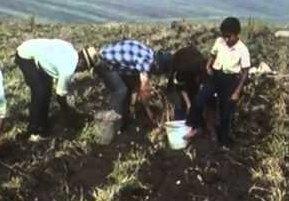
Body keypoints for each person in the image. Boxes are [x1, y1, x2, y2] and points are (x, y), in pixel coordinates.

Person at [184, 17, 251, 150]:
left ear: (236, 34)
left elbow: (244, 73)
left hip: (230, 80)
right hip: (215, 76)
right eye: (224, 36)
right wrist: (209, 65)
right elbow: (212, 54)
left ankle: (224, 142)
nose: (226, 40)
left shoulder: (242, 50)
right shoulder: (219, 42)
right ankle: (195, 127)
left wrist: (237, 92)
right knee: (199, 100)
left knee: (225, 112)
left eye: (229, 37)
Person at [84, 38, 172, 130]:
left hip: (113, 63)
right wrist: (149, 112)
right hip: (103, 62)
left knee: (128, 89)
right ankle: (111, 124)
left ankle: (124, 121)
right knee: (121, 91)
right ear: (157, 66)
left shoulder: (148, 53)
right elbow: (143, 90)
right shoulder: (146, 62)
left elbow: (137, 86)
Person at [14, 38, 92, 142]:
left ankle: (42, 123)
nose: (82, 71)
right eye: (85, 68)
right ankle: (35, 131)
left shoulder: (71, 50)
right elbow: (60, 97)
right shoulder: (68, 68)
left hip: (34, 52)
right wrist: (69, 117)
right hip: (26, 56)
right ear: (82, 62)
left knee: (46, 90)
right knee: (40, 92)